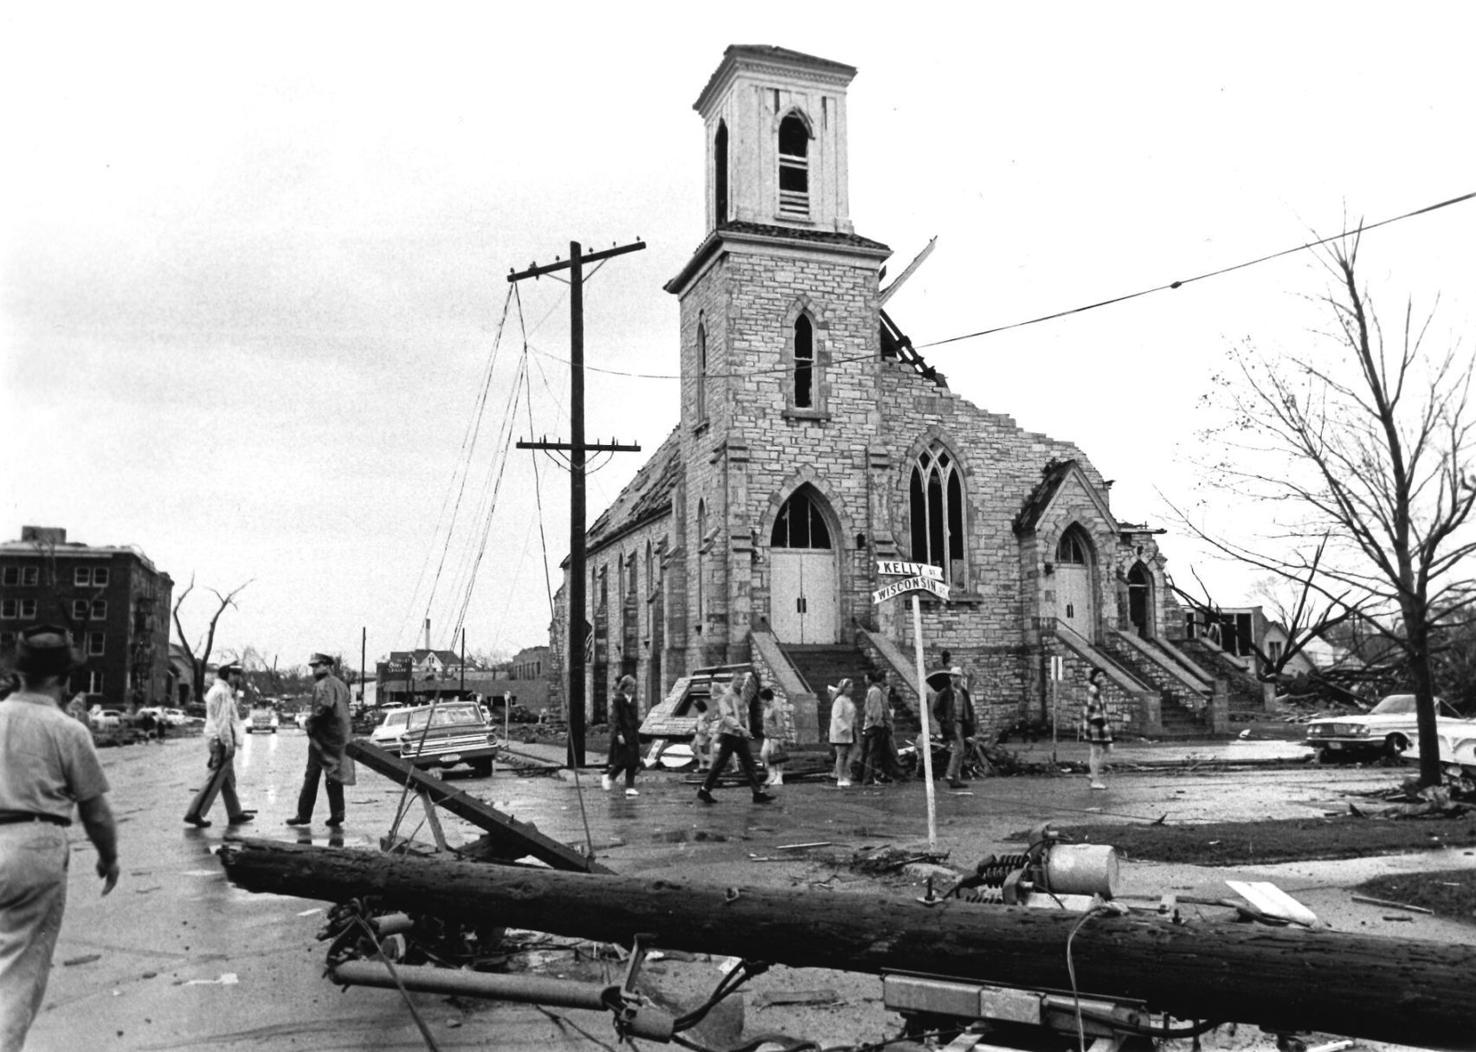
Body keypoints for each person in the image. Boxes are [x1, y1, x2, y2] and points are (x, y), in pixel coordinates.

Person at [0, 625, 119, 1050]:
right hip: (34, 843)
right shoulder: (66, 730)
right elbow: (95, 811)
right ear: (61, 679)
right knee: (17, 971)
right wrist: (109, 857)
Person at [182, 662, 255, 828]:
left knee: (227, 780)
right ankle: (194, 813)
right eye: (235, 674)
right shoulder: (222, 693)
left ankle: (235, 813)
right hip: (220, 739)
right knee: (214, 778)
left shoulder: (221, 691)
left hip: (217, 738)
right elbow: (223, 720)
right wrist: (228, 743)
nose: (237, 678)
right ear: (227, 675)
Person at [286, 653, 353, 828]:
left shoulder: (322, 685)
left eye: (317, 666)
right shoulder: (341, 685)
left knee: (312, 775)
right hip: (339, 738)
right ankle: (338, 813)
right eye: (313, 666)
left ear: (328, 666)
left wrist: (309, 722)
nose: (314, 669)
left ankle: (303, 814)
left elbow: (325, 708)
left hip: (322, 739)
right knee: (334, 776)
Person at [697, 674, 774, 805]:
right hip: (730, 735)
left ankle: (758, 793)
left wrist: (746, 729)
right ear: (733, 680)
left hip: (739, 735)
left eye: (743, 680)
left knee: (749, 763)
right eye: (738, 679)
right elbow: (726, 716)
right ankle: (704, 790)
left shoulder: (741, 696)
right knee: (720, 764)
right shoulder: (726, 696)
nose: (741, 682)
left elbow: (744, 713)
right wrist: (741, 729)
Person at [934, 665, 976, 789]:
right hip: (952, 724)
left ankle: (955, 779)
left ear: (960, 678)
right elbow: (936, 709)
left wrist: (970, 721)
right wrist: (943, 720)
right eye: (952, 676)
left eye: (957, 676)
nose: (954, 679)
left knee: (961, 751)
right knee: (958, 749)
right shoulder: (945, 692)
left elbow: (968, 708)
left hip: (962, 723)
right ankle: (950, 775)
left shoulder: (963, 692)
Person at [602, 675, 642, 797]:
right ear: (624, 687)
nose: (633, 689)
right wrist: (618, 733)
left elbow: (635, 718)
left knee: (633, 761)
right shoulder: (618, 700)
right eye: (630, 686)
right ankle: (609, 777)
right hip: (623, 733)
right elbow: (615, 718)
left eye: (634, 686)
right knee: (622, 761)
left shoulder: (633, 700)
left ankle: (630, 786)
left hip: (633, 733)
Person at [858, 670, 891, 785]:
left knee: (869, 753)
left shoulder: (872, 691)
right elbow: (877, 711)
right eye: (888, 677)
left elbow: (866, 708)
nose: (889, 679)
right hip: (875, 726)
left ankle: (865, 776)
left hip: (870, 726)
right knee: (873, 754)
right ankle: (868, 778)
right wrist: (880, 724)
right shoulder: (876, 692)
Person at [1082, 667, 1113, 790]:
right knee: (1096, 752)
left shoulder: (1097, 690)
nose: (1102, 678)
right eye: (1099, 676)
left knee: (1109, 749)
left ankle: (1092, 773)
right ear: (1093, 678)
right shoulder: (1093, 689)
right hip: (1095, 725)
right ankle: (1095, 781)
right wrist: (1090, 725)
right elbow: (1089, 709)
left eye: (1103, 676)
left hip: (1101, 725)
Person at [828, 678, 857, 788]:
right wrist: (844, 727)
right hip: (840, 733)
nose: (852, 689)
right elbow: (836, 716)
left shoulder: (848, 700)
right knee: (841, 754)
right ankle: (840, 777)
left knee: (854, 752)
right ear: (844, 688)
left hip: (850, 730)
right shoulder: (839, 700)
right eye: (849, 687)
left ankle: (845, 773)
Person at [759, 688, 788, 786]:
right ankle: (771, 773)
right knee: (764, 754)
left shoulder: (775, 709)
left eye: (762, 699)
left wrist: (779, 738)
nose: (761, 701)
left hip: (775, 736)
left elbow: (780, 724)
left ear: (766, 699)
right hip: (768, 736)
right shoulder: (766, 709)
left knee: (776, 756)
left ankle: (779, 776)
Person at [690, 698, 713, 773]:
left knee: (698, 749)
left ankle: (702, 764)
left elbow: (708, 724)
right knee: (693, 747)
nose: (696, 708)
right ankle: (706, 762)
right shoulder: (699, 713)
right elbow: (697, 722)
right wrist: (690, 729)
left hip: (702, 733)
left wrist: (705, 730)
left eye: (696, 707)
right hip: (698, 733)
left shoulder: (706, 713)